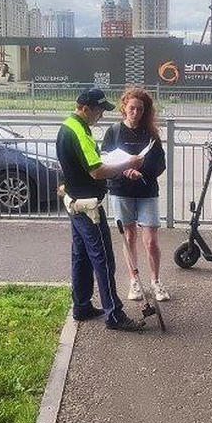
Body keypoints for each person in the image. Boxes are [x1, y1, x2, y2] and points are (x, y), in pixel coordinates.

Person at [56, 86, 147, 332]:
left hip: (74, 203)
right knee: (104, 259)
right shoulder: (79, 131)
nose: (101, 116)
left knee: (81, 256)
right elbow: (96, 171)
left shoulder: (67, 126)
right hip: (88, 208)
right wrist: (128, 161)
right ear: (85, 109)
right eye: (98, 111)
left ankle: (82, 306)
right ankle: (114, 315)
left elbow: (75, 164)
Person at [102, 87, 169, 302]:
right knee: (129, 236)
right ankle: (134, 281)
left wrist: (141, 171)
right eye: (132, 108)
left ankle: (155, 281)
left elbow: (160, 164)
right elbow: (105, 161)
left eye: (140, 109)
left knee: (150, 240)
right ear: (124, 108)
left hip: (147, 191)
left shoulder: (151, 134)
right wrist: (124, 171)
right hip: (121, 190)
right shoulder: (113, 132)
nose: (135, 113)